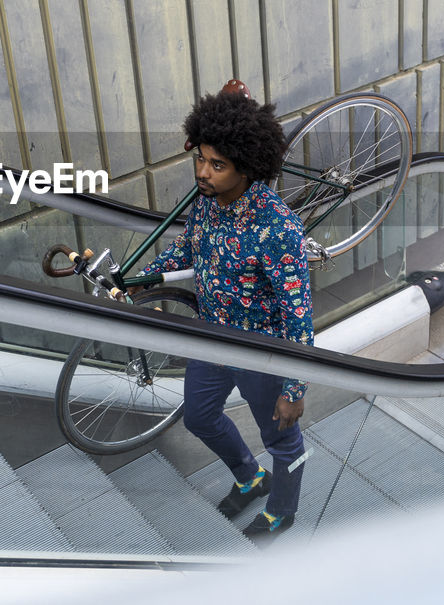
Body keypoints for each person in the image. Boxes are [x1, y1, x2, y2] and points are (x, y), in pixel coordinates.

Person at [137, 82, 312, 545]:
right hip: (212, 337)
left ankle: (282, 510)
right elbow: (185, 249)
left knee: (281, 440)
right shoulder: (207, 205)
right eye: (201, 159)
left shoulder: (278, 229)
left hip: (261, 353)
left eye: (217, 165)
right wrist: (138, 278)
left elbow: (298, 316)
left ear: (247, 167)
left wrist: (293, 388)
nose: (203, 172)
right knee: (198, 417)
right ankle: (249, 477)